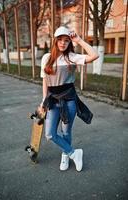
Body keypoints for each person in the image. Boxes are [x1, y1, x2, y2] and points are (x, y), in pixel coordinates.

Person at [37, 26, 98, 172]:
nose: (63, 43)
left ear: (69, 42)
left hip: (69, 100)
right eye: (60, 40)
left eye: (66, 40)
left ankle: (65, 155)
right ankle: (73, 153)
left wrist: (79, 40)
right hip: (52, 100)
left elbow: (94, 55)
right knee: (50, 134)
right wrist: (43, 101)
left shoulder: (71, 56)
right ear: (55, 41)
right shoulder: (47, 58)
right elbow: (45, 81)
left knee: (66, 132)